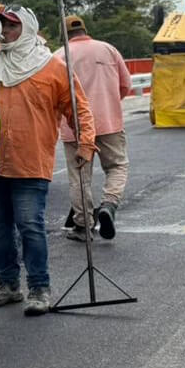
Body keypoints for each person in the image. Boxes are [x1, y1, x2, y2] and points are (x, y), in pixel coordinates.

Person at [0, 1, 96, 316]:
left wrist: (85, 144)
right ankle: (9, 285)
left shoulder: (52, 67)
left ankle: (39, 288)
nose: (6, 31)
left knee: (30, 226)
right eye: (2, 25)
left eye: (12, 25)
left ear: (26, 28)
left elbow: (78, 108)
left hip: (31, 163)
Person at [55, 15, 132, 241]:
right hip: (109, 122)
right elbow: (125, 85)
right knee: (117, 165)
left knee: (80, 177)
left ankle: (83, 225)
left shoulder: (59, 56)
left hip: (75, 126)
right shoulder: (108, 49)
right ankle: (109, 204)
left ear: (63, 34)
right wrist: (109, 104)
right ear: (85, 30)